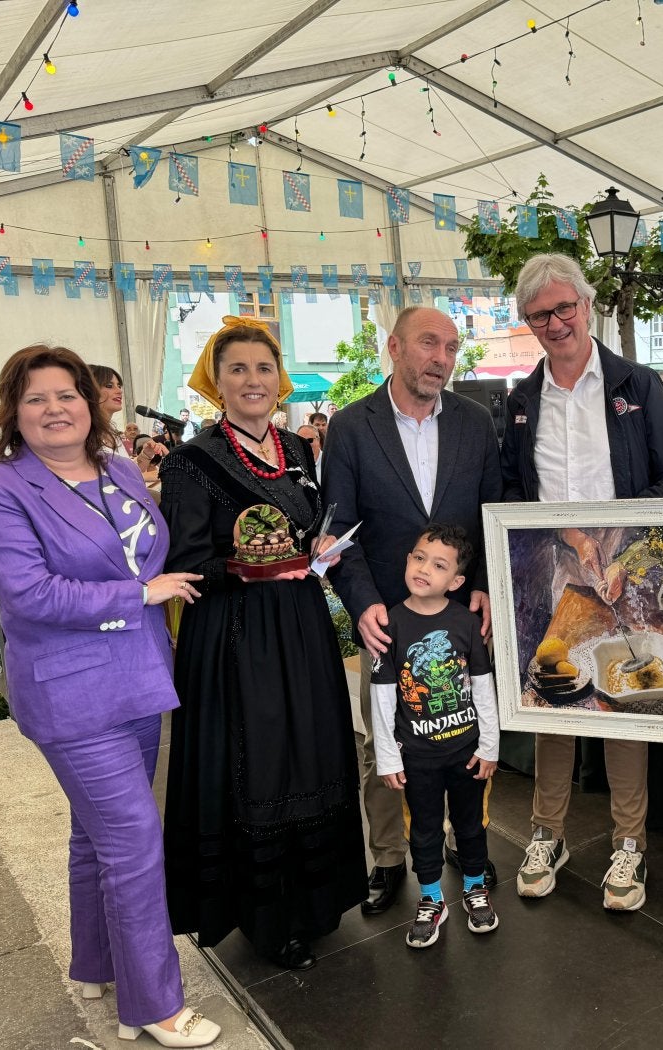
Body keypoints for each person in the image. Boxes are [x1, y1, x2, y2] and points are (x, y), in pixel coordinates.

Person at [0, 344, 220, 1047]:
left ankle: (95, 964)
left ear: (92, 402)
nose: (54, 408)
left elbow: (151, 551)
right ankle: (154, 1005)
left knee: (96, 835)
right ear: (14, 412)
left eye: (66, 394)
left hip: (138, 678)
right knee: (135, 841)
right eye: (36, 397)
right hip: (70, 694)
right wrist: (140, 594)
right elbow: (31, 593)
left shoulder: (121, 470)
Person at [159, 316, 366, 972]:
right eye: (238, 369)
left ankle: (317, 902)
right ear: (215, 383)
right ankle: (267, 918)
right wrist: (252, 569)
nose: (253, 380)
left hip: (301, 625)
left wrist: (317, 550)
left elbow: (303, 534)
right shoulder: (193, 462)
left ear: (280, 380)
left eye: (263, 368)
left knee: (312, 755)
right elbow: (189, 564)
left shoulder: (297, 450)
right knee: (264, 764)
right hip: (237, 639)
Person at [501, 252, 663, 912]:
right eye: (539, 315)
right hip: (556, 572)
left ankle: (629, 845)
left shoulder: (637, 386)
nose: (554, 324)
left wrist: (624, 538)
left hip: (625, 568)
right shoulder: (522, 402)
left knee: (624, 702)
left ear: (586, 306)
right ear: (528, 324)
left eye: (564, 308)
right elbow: (507, 493)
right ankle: (547, 835)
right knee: (551, 699)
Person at [322, 305, 502, 913]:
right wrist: (366, 604)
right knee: (387, 738)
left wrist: (480, 582)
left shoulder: (477, 423)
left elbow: (491, 514)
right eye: (430, 344)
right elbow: (339, 529)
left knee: (462, 726)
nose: (442, 359)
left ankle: (464, 846)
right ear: (395, 347)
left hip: (458, 617)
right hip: (387, 621)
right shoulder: (350, 427)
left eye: (452, 348)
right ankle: (389, 857)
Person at [369, 524, 500, 949]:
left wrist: (489, 747)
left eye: (439, 565)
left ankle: (475, 887)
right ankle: (430, 899)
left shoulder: (465, 623)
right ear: (406, 559)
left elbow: (483, 688)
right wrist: (389, 758)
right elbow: (383, 698)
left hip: (466, 753)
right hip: (417, 758)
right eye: (419, 557)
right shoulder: (391, 624)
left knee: (471, 826)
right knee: (423, 830)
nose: (424, 568)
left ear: (457, 581)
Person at [91, 365, 164, 483]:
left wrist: (146, 455)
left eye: (119, 386)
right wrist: (159, 475)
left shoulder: (111, 432)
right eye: (109, 386)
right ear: (90, 390)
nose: (119, 391)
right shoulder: (86, 434)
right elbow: (108, 481)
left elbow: (127, 471)